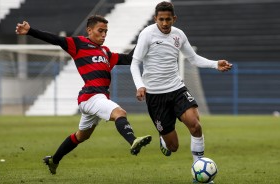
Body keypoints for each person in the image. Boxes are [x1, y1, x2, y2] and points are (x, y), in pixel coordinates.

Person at [15, 15, 152, 175]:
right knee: (120, 113)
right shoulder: (78, 44)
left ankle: (54, 160)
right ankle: (133, 140)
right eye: (100, 31)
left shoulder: (105, 52)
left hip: (96, 98)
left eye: (106, 32)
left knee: (81, 136)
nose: (103, 35)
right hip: (91, 96)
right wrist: (30, 31)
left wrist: (143, 40)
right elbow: (56, 39)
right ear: (89, 30)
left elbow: (128, 59)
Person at [130, 2, 232, 183]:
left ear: (174, 19)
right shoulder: (147, 34)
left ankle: (199, 172)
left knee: (195, 125)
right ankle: (164, 140)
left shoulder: (179, 35)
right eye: (161, 19)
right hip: (155, 96)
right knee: (173, 146)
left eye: (168, 19)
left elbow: (193, 58)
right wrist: (140, 85)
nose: (164, 23)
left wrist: (215, 64)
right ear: (155, 19)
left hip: (177, 88)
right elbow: (134, 63)